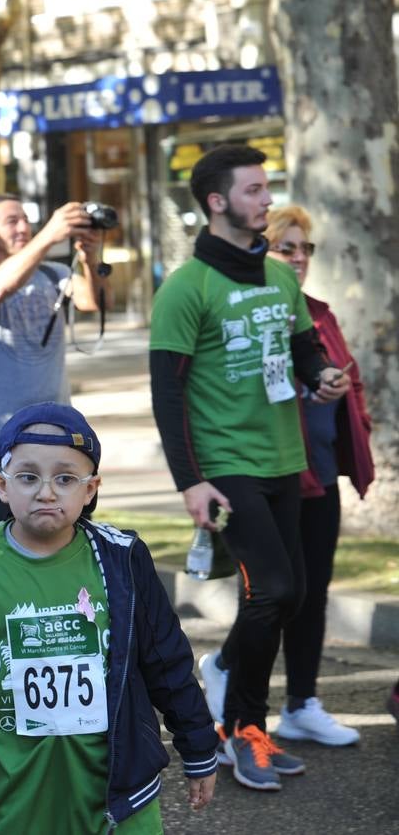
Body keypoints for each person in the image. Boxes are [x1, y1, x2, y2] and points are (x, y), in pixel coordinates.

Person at [0, 402, 219, 834]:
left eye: (65, 478)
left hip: (113, 798)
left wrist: (198, 747)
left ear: (91, 489)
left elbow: (166, 661)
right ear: (1, 485)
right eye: (28, 477)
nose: (46, 491)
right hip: (6, 799)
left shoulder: (120, 560)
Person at [148, 145, 350, 792]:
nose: (266, 200)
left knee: (286, 597)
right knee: (269, 591)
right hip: (224, 464)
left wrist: (323, 378)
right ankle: (242, 730)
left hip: (284, 461)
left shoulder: (279, 276)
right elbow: (167, 393)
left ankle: (226, 670)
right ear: (217, 202)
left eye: (267, 189)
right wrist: (190, 481)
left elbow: (303, 350)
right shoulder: (186, 288)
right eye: (255, 191)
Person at [264, 206, 373, 747]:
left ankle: (302, 703)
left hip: (322, 474)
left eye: (305, 248)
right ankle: (236, 692)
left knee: (315, 591)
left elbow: (350, 385)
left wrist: (359, 426)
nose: (299, 257)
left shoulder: (321, 314)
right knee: (279, 593)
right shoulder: (256, 314)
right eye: (287, 247)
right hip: (271, 476)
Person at [0, 195, 103, 439]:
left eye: (26, 220)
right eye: (12, 221)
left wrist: (90, 259)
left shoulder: (53, 273)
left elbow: (94, 301)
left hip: (58, 425)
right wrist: (47, 236)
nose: (23, 228)